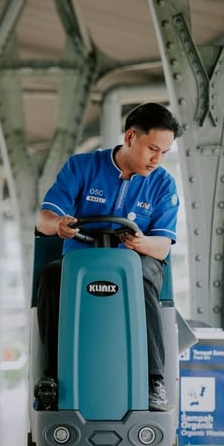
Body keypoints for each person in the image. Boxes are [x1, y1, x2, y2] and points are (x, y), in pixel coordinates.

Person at [35, 102, 182, 411]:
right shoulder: (81, 167)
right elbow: (44, 218)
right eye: (152, 149)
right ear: (130, 137)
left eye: (164, 153)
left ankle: (154, 380)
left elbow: (163, 246)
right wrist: (58, 225)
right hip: (80, 265)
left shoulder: (163, 184)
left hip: (136, 263)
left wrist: (141, 242)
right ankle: (50, 376)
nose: (157, 160)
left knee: (140, 280)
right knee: (50, 276)